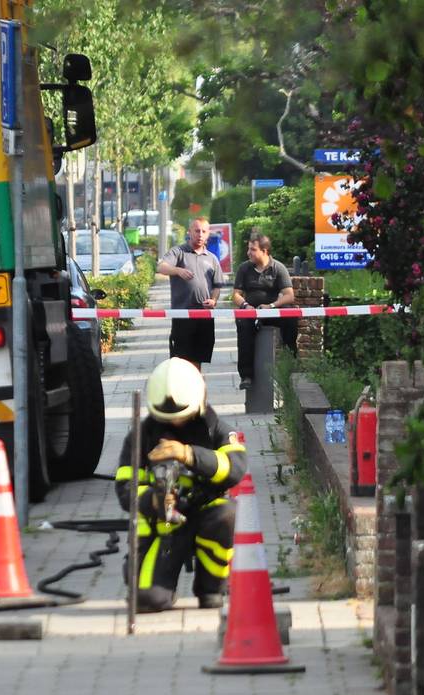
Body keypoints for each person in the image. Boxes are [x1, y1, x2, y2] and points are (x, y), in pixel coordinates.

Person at [115, 357, 247, 612]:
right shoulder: (140, 437)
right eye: (169, 419)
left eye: (182, 417)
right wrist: (153, 500)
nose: (176, 423)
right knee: (148, 600)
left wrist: (189, 454)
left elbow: (236, 468)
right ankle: (156, 584)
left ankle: (212, 588)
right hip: (162, 526)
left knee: (227, 515)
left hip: (205, 513)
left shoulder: (217, 430)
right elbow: (125, 488)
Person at [231, 233, 297, 390]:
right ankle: (246, 375)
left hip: (272, 310)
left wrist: (272, 306)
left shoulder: (278, 268)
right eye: (248, 249)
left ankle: (292, 363)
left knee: (290, 315)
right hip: (251, 311)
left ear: (265, 250)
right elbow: (236, 294)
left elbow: (289, 295)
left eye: (253, 250)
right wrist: (245, 305)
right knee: (243, 323)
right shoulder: (244, 268)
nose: (249, 253)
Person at [157, 218, 223, 369]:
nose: (200, 234)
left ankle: (196, 389)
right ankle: (182, 390)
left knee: (197, 359)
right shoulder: (179, 252)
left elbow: (217, 286)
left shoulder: (212, 259)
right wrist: (177, 270)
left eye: (203, 231)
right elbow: (161, 267)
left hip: (204, 316)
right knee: (181, 360)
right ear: (189, 232)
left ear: (208, 234)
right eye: (197, 230)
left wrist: (213, 300)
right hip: (183, 315)